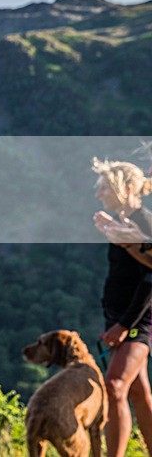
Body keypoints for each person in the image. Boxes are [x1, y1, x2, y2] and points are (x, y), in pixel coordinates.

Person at [92, 158, 152, 456]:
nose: (99, 193)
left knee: (114, 385)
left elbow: (150, 279)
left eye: (104, 187)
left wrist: (124, 325)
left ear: (126, 188)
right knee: (139, 393)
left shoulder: (144, 223)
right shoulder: (123, 225)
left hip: (138, 321)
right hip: (119, 318)